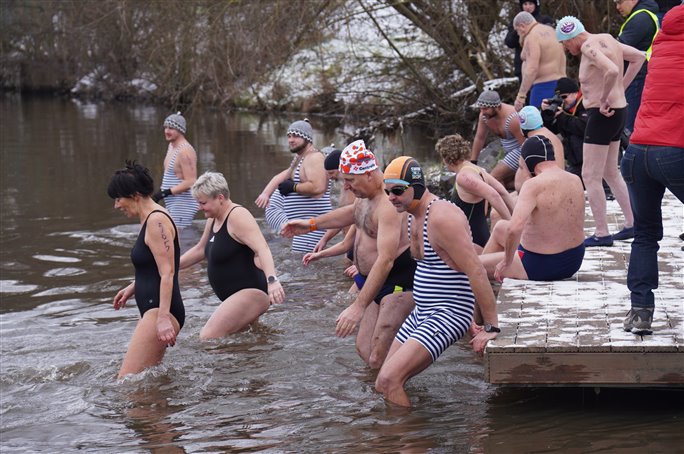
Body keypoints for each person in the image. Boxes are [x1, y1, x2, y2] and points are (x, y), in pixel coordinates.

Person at [374, 157, 499, 407]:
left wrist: (490, 327)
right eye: (387, 191)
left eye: (398, 190)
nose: (391, 197)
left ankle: (412, 441)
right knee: (381, 382)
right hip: (424, 311)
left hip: (447, 313)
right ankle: (403, 435)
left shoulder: (441, 217)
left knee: (390, 381)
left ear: (417, 186)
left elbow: (475, 270)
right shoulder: (411, 214)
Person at [281, 141, 416, 369]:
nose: (346, 186)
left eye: (350, 180)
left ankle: (398, 394)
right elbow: (351, 214)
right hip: (375, 285)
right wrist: (311, 225)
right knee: (364, 349)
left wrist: (358, 306)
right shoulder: (364, 198)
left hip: (397, 285)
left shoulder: (388, 205)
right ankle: (388, 388)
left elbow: (385, 261)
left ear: (369, 174)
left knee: (378, 358)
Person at [620, 4, 684, 335]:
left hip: (637, 152)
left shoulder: (660, 42)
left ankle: (640, 311)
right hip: (672, 153)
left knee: (645, 235)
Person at [556, 16, 645, 247]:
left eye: (565, 43)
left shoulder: (587, 46)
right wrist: (620, 90)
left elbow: (612, 70)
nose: (565, 49)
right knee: (610, 172)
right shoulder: (607, 39)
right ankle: (632, 223)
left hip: (602, 114)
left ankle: (602, 232)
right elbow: (639, 57)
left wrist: (605, 97)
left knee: (590, 175)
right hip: (618, 111)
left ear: (572, 36)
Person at [179, 172, 285, 339]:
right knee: (245, 341)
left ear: (220, 197)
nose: (199, 207)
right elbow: (201, 250)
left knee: (208, 337)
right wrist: (169, 267)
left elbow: (262, 249)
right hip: (234, 296)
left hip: (251, 293)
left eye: (203, 203)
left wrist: (272, 281)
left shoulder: (238, 216)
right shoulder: (213, 218)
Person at [108, 161, 185, 378]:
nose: (116, 205)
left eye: (118, 199)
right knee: (141, 384)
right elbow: (154, 265)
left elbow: (168, 272)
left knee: (126, 382)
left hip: (160, 311)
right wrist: (134, 286)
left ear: (135, 195)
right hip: (156, 309)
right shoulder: (151, 218)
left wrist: (162, 319)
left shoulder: (156, 221)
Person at [479, 135, 586, 282]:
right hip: (573, 260)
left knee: (472, 266)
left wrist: (506, 261)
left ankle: (477, 299)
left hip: (540, 264)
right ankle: (487, 282)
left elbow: (515, 228)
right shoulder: (575, 179)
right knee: (499, 228)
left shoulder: (534, 185)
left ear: (529, 162)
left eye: (522, 166)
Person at [255, 119, 332, 253]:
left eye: (295, 136)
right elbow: (280, 177)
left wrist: (293, 188)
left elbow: (318, 188)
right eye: (289, 136)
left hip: (312, 230)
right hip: (304, 230)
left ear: (307, 138)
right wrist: (266, 193)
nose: (290, 140)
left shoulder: (314, 157)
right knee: (304, 268)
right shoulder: (300, 158)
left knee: (308, 270)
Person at [435, 134, 515, 250]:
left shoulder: (463, 177)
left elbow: (494, 195)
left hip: (472, 241)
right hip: (479, 234)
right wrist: (514, 217)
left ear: (447, 158)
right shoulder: (476, 169)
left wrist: (511, 226)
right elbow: (502, 192)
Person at [615, 0, 660, 134]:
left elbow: (617, 48)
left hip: (636, 76)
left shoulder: (641, 18)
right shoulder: (643, 15)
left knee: (627, 128)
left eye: (619, 2)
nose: (618, 7)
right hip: (640, 75)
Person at [470, 89, 526, 189]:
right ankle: (521, 191)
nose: (482, 112)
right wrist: (473, 162)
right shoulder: (484, 116)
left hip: (521, 150)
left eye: (486, 109)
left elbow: (525, 145)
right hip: (508, 151)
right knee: (504, 182)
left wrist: (526, 165)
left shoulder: (513, 118)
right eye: (481, 109)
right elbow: (480, 137)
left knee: (493, 178)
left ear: (497, 107)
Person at [153, 112, 199, 229]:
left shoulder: (185, 151)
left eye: (171, 128)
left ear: (180, 130)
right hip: (173, 202)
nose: (167, 131)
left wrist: (165, 193)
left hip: (183, 204)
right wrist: (162, 193)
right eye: (166, 127)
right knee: (173, 235)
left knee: (181, 239)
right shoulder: (171, 146)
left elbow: (191, 181)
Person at [512, 11, 567, 110]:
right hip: (563, 84)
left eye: (517, 31)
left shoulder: (532, 37)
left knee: (538, 124)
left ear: (522, 26)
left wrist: (521, 96)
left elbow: (532, 68)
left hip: (544, 87)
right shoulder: (551, 31)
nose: (518, 34)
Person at [540, 77, 588, 180]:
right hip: (575, 162)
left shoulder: (586, 103)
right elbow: (552, 130)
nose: (563, 101)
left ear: (575, 92)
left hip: (592, 160)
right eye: (560, 98)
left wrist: (562, 116)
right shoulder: (565, 107)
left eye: (564, 97)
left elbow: (583, 127)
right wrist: (546, 115)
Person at [505, 1, 554, 82]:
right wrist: (518, 30)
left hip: (544, 66)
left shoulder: (545, 20)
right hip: (523, 66)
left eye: (531, 4)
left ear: (536, 5)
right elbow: (509, 42)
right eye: (525, 4)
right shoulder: (516, 22)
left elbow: (552, 41)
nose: (528, 7)